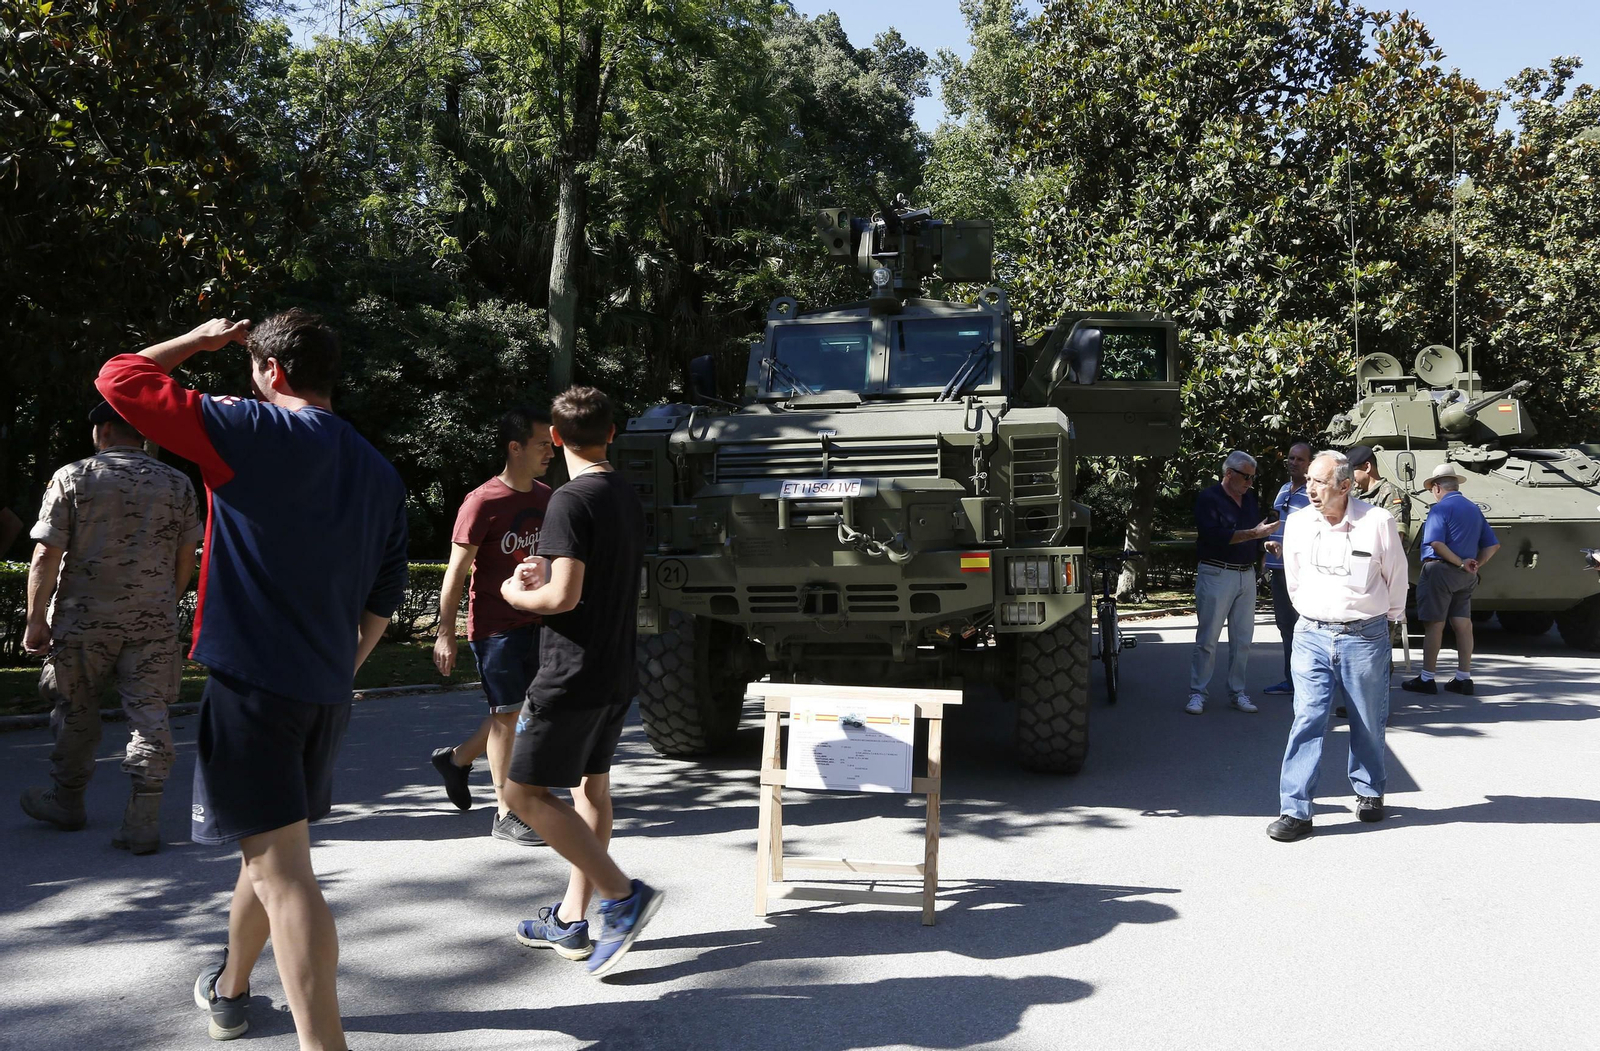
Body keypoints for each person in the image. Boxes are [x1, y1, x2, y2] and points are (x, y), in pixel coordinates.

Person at [96, 313, 408, 1049]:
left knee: (282, 873)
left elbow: (119, 378)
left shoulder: (252, 429)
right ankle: (232, 989)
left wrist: (199, 341)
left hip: (254, 685)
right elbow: (383, 600)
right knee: (269, 852)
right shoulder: (378, 471)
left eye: (254, 367)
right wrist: (339, 670)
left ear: (272, 370)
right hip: (322, 692)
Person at [497, 386, 660, 977]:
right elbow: (585, 577)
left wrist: (516, 594)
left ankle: (621, 895)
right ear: (611, 433)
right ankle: (571, 917)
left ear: (556, 437)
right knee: (591, 791)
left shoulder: (569, 498)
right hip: (616, 668)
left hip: (571, 673)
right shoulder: (622, 493)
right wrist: (543, 572)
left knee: (522, 795)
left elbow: (562, 599)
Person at [18, 400, 201, 855]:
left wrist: (35, 619)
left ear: (101, 430)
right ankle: (143, 820)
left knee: (76, 710)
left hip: (83, 621)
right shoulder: (176, 483)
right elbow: (186, 557)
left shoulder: (74, 476)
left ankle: (67, 801)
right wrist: (163, 602)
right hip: (152, 621)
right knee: (150, 713)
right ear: (142, 433)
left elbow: (46, 553)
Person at [430, 406, 555, 846]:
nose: (551, 452)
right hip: (495, 627)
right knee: (507, 713)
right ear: (515, 447)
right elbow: (456, 572)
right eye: (542, 444)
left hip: (538, 621)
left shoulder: (546, 497)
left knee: (522, 710)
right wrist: (445, 633)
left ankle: (456, 760)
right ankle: (507, 811)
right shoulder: (482, 501)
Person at [1268, 450, 1407, 842]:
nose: (1310, 489)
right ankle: (1295, 810)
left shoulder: (1377, 521)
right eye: (1309, 480)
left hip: (1364, 635)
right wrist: (1313, 613)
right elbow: (1294, 578)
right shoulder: (1298, 523)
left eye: (1320, 482)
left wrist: (1385, 618)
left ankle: (1369, 790)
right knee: (1307, 718)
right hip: (1311, 633)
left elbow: (1396, 575)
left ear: (1345, 486)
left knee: (1367, 718)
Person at [1187, 450, 1276, 715]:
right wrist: (1253, 534)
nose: (1250, 482)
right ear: (1229, 473)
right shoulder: (1209, 498)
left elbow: (1255, 534)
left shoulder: (1249, 499)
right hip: (1216, 572)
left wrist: (1265, 544)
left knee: (1243, 640)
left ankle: (1238, 692)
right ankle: (1197, 693)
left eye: (1253, 478)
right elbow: (1213, 535)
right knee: (1208, 639)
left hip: (1245, 574)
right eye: (1246, 477)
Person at [1405, 462, 1499, 696]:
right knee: (1463, 624)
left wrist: (1458, 562)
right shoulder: (1474, 509)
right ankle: (1463, 678)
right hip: (1467, 576)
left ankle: (1427, 678)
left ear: (1437, 487)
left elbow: (1436, 543)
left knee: (1434, 625)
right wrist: (1474, 564)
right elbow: (1493, 545)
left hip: (1440, 571)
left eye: (1432, 490)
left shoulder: (1440, 509)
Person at [1261, 442, 1312, 696]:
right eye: (1291, 458)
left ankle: (1308, 682)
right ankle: (1291, 680)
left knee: (1305, 627)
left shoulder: (1313, 492)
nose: (1294, 463)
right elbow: (1274, 525)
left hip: (1302, 571)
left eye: (1300, 459)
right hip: (1278, 569)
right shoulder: (1283, 490)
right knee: (1285, 625)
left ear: (1310, 464)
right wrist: (1265, 555)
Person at [1346, 445, 1409, 523]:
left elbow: (1396, 529)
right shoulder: (1354, 493)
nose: (1348, 477)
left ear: (1367, 467)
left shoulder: (1391, 494)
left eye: (1351, 472)